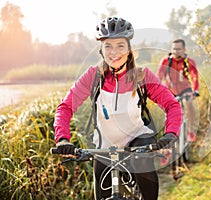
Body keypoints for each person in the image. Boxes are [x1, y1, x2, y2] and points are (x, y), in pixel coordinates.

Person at [53, 17, 182, 200]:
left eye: (120, 45)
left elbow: (172, 105)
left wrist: (170, 134)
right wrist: (63, 139)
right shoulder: (93, 76)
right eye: (108, 46)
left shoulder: (141, 76)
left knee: (144, 170)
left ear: (129, 50)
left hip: (139, 141)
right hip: (105, 146)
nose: (114, 52)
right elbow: (65, 107)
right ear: (101, 50)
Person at [157, 39, 199, 142]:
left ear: (184, 49)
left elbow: (195, 77)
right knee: (168, 114)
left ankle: (190, 131)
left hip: (185, 90)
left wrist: (195, 90)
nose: (176, 51)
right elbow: (159, 77)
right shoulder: (166, 61)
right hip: (170, 91)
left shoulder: (189, 62)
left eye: (179, 49)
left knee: (188, 103)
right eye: (174, 49)